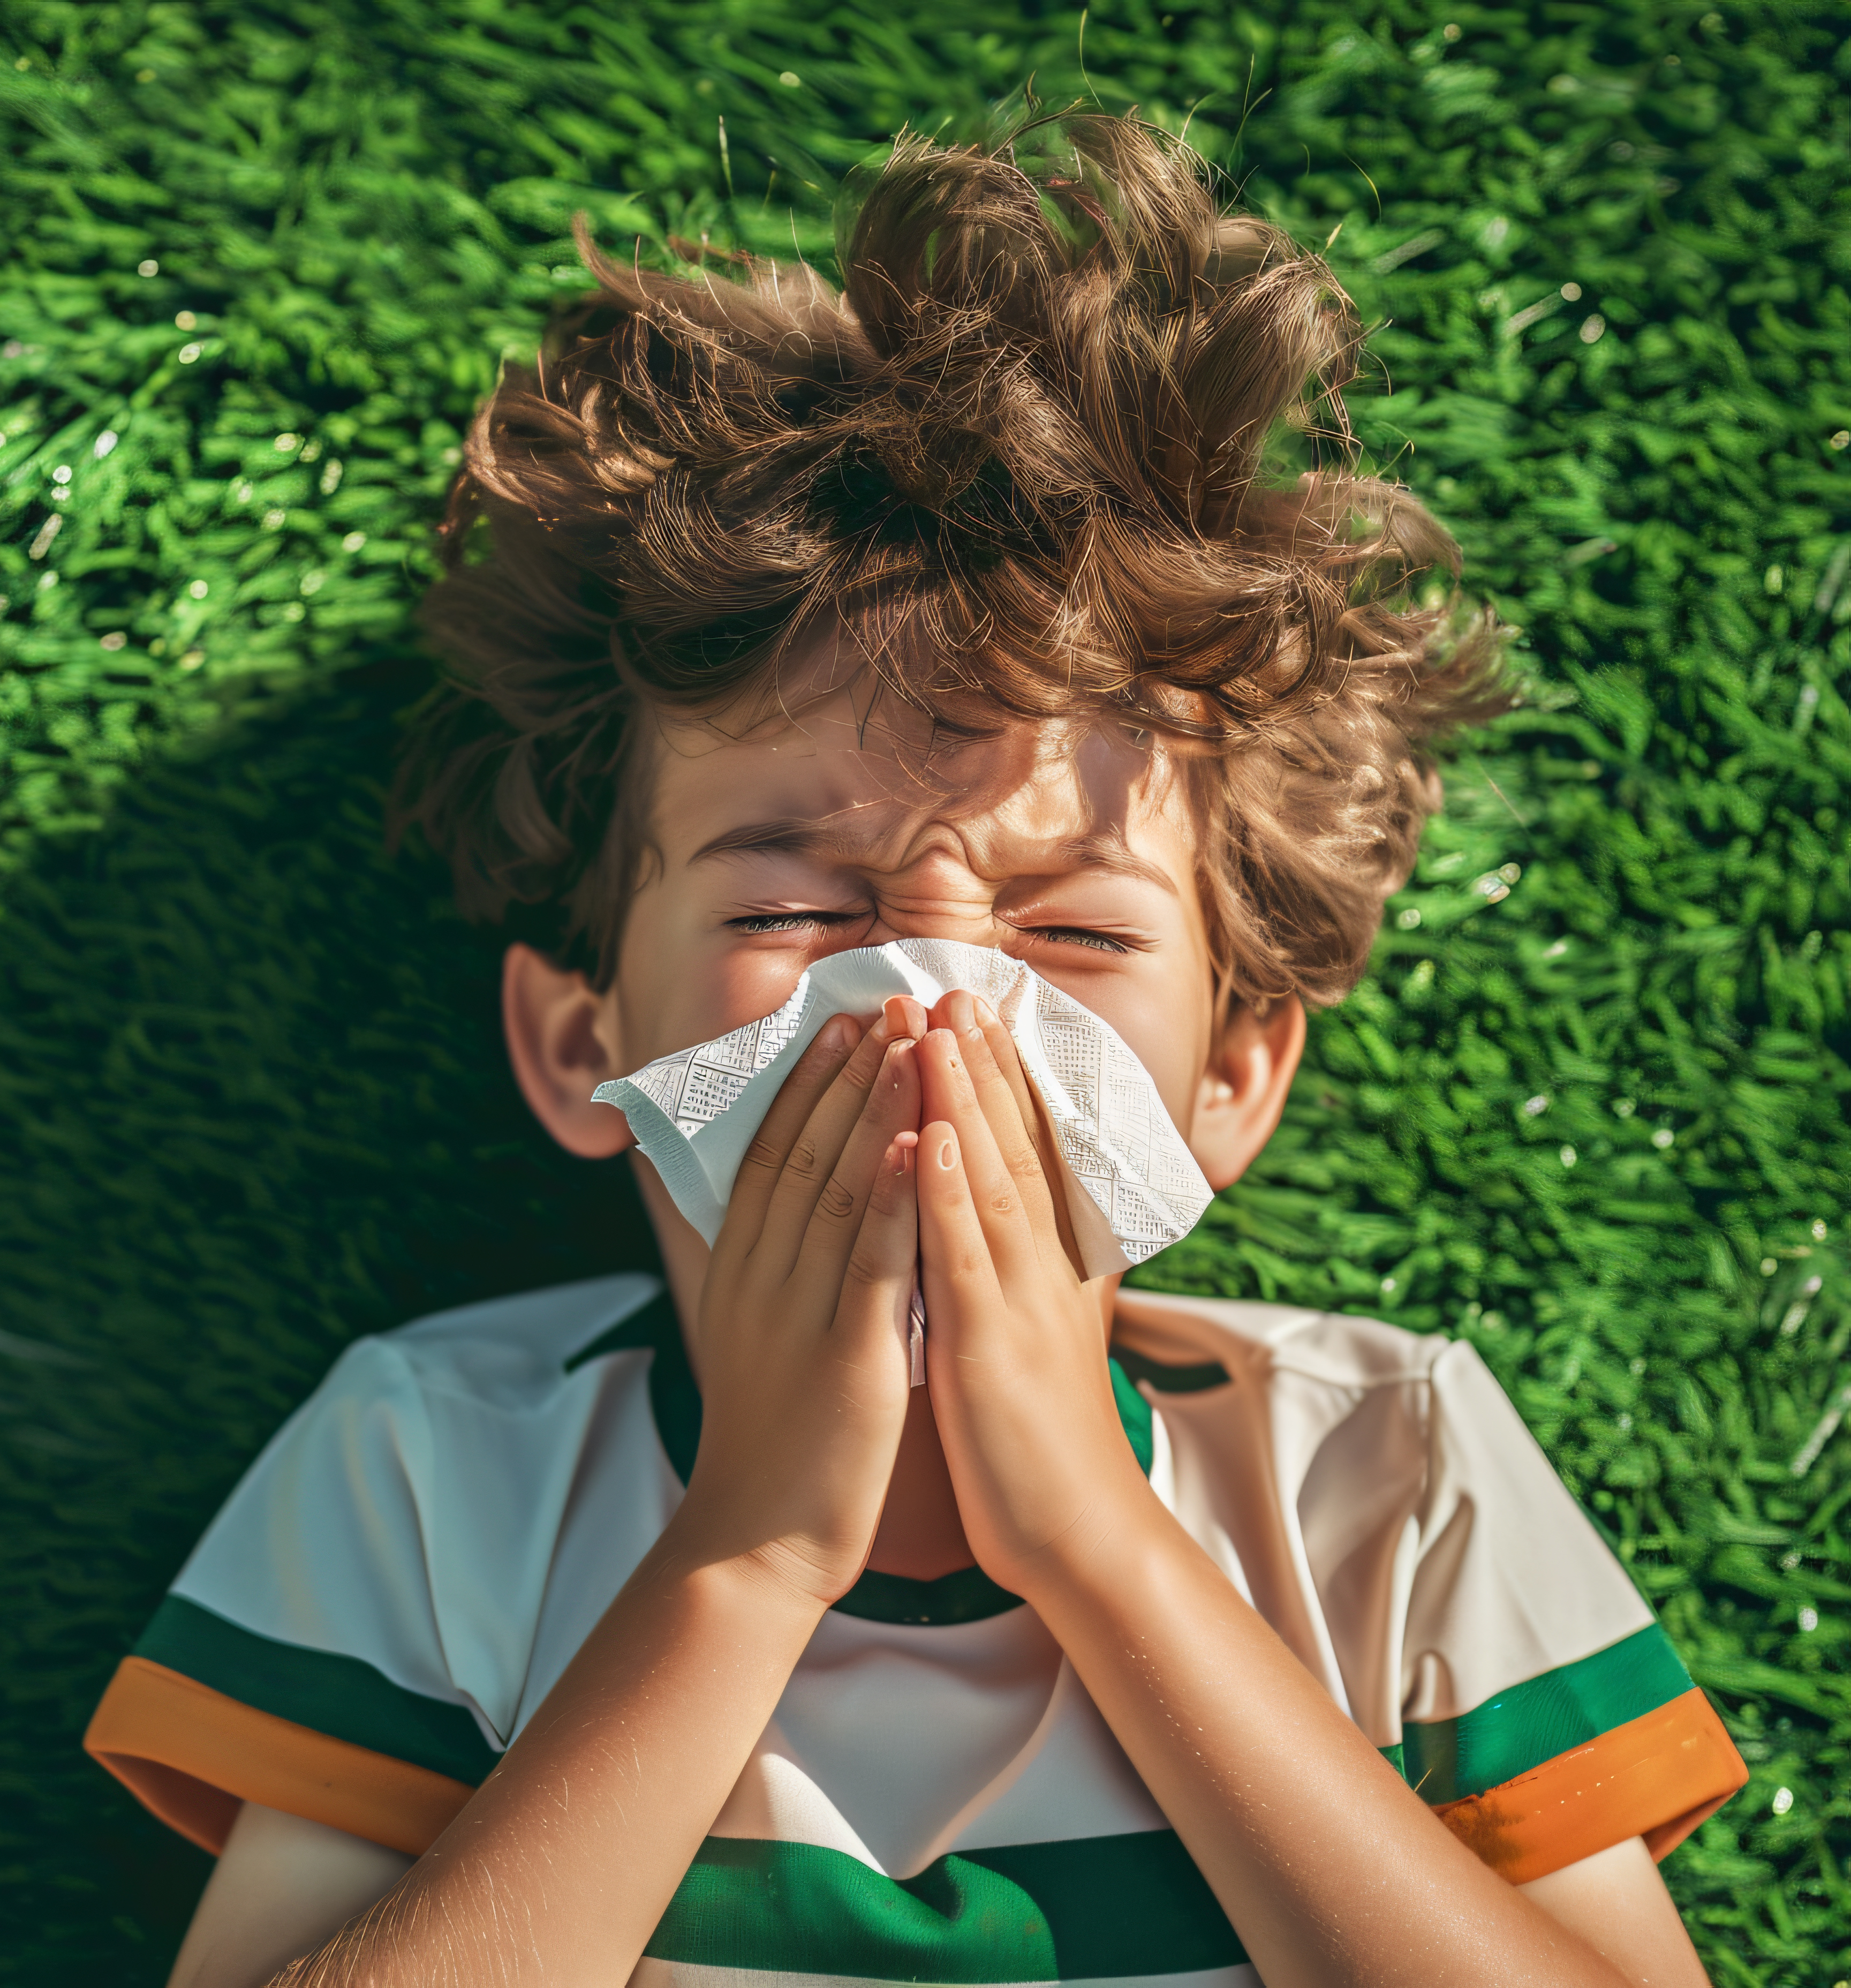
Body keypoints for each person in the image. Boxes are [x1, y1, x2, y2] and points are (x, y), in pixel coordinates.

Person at [85, 117, 1743, 1988]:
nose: (938, 1004)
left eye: (1075, 933)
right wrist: (753, 1554)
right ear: (582, 1043)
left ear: (1231, 1085)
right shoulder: (436, 1470)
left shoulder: (1380, 1473)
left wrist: (1099, 1547)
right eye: (796, 909)